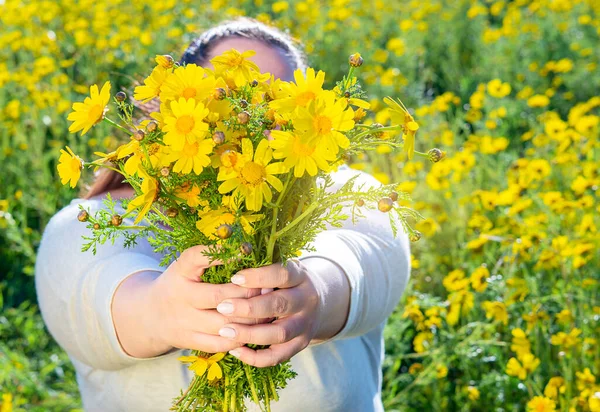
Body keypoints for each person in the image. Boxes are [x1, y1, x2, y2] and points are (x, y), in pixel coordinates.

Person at [35, 18, 411, 412]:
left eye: (278, 106)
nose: (255, 122)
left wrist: (316, 292)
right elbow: (87, 294)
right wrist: (159, 310)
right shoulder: (87, 224)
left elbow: (369, 255)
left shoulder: (343, 194)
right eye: (230, 96)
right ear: (171, 114)